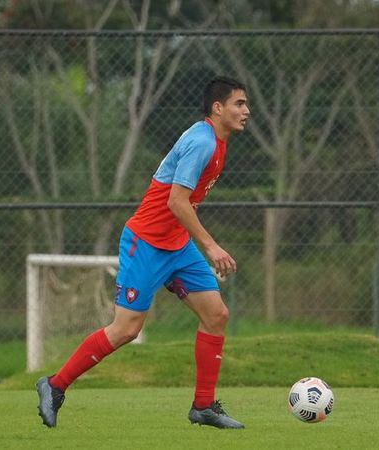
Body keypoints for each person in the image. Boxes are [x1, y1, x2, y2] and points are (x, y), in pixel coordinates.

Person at [36, 76, 250, 429]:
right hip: (146, 244)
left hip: (177, 245)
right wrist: (211, 246)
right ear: (218, 108)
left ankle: (204, 406)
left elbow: (181, 207)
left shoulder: (217, 141)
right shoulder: (201, 143)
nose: (246, 111)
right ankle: (55, 386)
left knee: (216, 314)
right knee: (125, 329)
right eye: (239, 104)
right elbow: (177, 202)